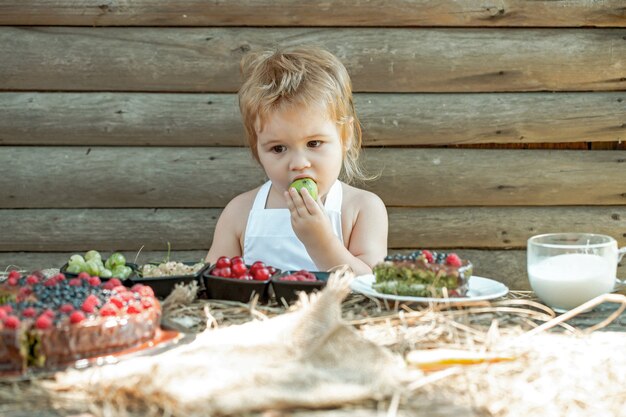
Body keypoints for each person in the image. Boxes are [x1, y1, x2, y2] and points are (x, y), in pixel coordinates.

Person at [206, 46, 387, 276]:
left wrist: (320, 242)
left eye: (314, 143)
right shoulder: (240, 213)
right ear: (257, 150)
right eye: (278, 148)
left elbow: (370, 285)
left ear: (345, 136)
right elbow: (213, 280)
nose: (299, 163)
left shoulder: (361, 208)